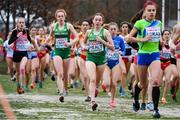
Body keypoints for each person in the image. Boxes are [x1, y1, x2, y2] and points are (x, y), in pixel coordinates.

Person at [125, 1, 162, 118]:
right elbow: (128, 38)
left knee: (155, 81)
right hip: (142, 55)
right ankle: (136, 98)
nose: (151, 12)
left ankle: (155, 109)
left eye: (153, 10)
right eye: (149, 10)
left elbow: (157, 37)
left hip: (155, 55)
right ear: (145, 12)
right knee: (142, 84)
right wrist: (143, 40)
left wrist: (161, 41)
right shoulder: (139, 23)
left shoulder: (158, 23)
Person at [81, 13, 114, 111]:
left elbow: (112, 47)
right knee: (92, 79)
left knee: (97, 82)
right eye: (96, 20)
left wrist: (102, 41)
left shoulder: (105, 32)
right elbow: (83, 41)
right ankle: (93, 101)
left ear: (102, 22)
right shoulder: (89, 32)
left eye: (100, 20)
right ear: (93, 21)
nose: (98, 22)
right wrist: (83, 46)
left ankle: (94, 91)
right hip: (90, 58)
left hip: (101, 60)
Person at [48, 9, 79, 102]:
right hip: (57, 52)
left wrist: (70, 44)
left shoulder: (68, 26)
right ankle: (61, 92)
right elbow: (50, 36)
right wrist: (47, 41)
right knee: (60, 73)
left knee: (65, 74)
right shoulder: (54, 26)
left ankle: (65, 89)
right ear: (56, 18)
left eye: (62, 16)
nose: (60, 18)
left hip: (66, 52)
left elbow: (77, 37)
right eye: (59, 16)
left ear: (64, 17)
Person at [8, 17, 38, 94]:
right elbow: (9, 42)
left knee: (22, 68)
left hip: (24, 53)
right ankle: (18, 86)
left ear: (24, 24)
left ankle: (23, 86)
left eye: (23, 23)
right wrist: (17, 36)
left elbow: (29, 39)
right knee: (18, 72)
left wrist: (31, 45)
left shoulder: (26, 31)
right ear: (17, 24)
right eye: (20, 22)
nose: (21, 24)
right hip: (16, 53)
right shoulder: (14, 32)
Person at [159, 30, 179, 104]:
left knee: (167, 81)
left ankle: (163, 98)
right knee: (159, 83)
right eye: (165, 34)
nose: (167, 35)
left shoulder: (171, 43)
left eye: (168, 34)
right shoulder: (160, 43)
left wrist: (174, 54)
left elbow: (173, 53)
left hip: (168, 63)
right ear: (162, 35)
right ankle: (154, 95)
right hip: (159, 63)